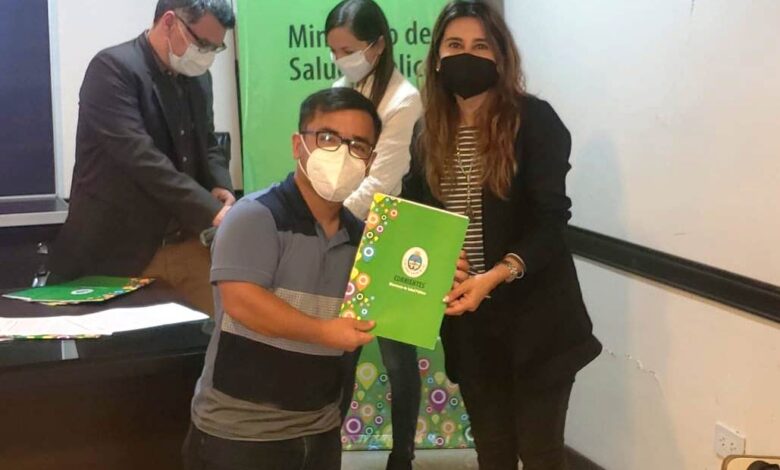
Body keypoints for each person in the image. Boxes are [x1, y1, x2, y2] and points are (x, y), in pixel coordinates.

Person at [183, 86, 469, 470]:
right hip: (239, 436)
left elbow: (394, 299)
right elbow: (242, 302)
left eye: (358, 146)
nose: (342, 154)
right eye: (329, 138)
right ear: (298, 145)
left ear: (370, 161)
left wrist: (439, 278)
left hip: (320, 432)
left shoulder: (364, 240)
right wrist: (325, 332)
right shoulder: (255, 216)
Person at [403, 2, 603, 469]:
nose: (466, 55)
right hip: (470, 327)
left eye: (481, 46)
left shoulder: (534, 121)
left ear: (501, 56)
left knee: (539, 453)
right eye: (455, 45)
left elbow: (551, 221)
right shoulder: (427, 131)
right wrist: (434, 265)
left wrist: (495, 274)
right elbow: (417, 215)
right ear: (437, 57)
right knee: (492, 453)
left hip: (538, 321)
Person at [48, 0, 236, 315]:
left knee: (226, 328)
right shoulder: (113, 68)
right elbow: (140, 158)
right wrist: (211, 210)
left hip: (186, 243)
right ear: (169, 22)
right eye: (202, 43)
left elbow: (207, 141)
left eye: (215, 48)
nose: (206, 56)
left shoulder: (198, 77)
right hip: (117, 250)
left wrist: (221, 186)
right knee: (126, 345)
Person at [324, 1, 423, 469]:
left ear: (378, 45)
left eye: (348, 50)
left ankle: (401, 456)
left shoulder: (404, 99)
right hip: (343, 232)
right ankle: (325, 450)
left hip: (391, 233)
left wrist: (328, 217)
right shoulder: (339, 90)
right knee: (340, 351)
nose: (340, 59)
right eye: (334, 51)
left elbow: (382, 181)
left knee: (398, 358)